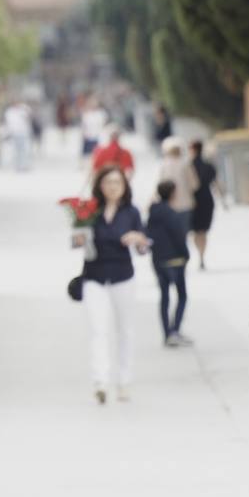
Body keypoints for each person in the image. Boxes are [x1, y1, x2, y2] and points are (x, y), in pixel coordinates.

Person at [75, 166, 149, 404]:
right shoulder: (89, 211)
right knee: (98, 328)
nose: (113, 187)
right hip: (94, 275)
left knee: (125, 329)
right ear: (100, 185)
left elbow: (144, 245)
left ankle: (124, 381)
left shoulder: (132, 212)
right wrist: (78, 239)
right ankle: (100, 380)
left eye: (118, 182)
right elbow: (77, 239)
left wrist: (138, 239)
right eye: (108, 182)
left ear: (125, 186)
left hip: (122, 275)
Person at [146, 180, 190, 347]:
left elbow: (148, 234)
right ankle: (175, 330)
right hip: (175, 260)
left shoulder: (152, 213)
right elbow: (179, 237)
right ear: (173, 193)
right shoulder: (173, 214)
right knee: (182, 296)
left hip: (158, 260)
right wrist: (186, 255)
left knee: (164, 297)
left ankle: (166, 333)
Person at [189, 140, 226, 270]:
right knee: (203, 231)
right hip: (206, 199)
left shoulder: (189, 166)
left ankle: (200, 255)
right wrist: (223, 200)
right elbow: (217, 183)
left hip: (193, 201)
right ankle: (201, 256)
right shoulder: (208, 166)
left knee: (195, 231)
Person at [157, 137, 198, 231]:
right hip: (185, 204)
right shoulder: (185, 164)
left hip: (169, 204)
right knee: (183, 231)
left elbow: (160, 186)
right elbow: (194, 185)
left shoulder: (164, 165)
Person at [1, 100, 33, 172]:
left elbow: (29, 116)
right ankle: (17, 165)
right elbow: (7, 123)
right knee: (16, 150)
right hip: (14, 133)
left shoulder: (22, 110)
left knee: (24, 150)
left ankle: (24, 165)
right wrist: (7, 132)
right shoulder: (9, 112)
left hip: (23, 133)